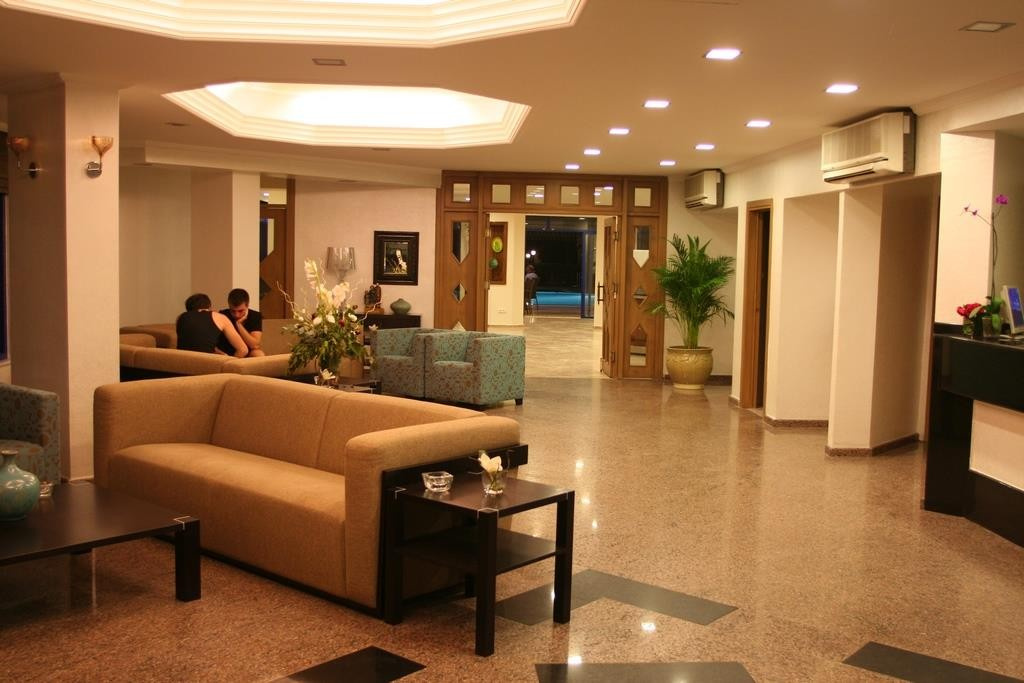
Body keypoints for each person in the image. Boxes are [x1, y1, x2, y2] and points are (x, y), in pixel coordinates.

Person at [176, 293, 247, 357]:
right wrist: (229, 363)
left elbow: (195, 343)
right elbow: (243, 350)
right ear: (209, 306)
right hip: (207, 362)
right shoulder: (220, 317)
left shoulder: (180, 317)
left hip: (181, 361)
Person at [218, 288, 264, 357]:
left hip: (248, 352)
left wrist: (239, 325)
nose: (236, 315)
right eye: (233, 311)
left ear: (247, 305)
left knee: (258, 354)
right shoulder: (222, 315)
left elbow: (254, 345)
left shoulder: (255, 316)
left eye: (240, 311)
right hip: (226, 352)